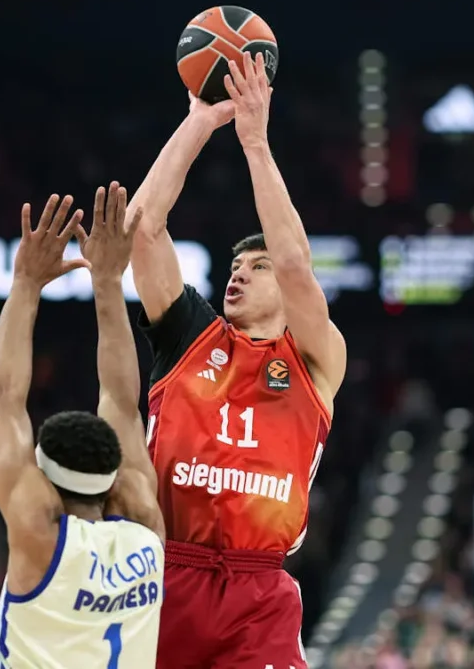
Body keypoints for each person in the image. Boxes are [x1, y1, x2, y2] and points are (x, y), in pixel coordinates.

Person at [126, 52, 347, 668]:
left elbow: (298, 264)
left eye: (257, 268)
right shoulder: (190, 335)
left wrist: (255, 142)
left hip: (258, 591)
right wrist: (199, 121)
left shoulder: (315, 356)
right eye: (233, 268)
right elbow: (142, 228)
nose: (238, 277)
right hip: (167, 574)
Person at [0, 184, 166, 668]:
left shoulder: (38, 533)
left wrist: (25, 282)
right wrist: (108, 281)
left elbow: (1, 398)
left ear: (43, 474)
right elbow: (123, 405)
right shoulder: (146, 526)